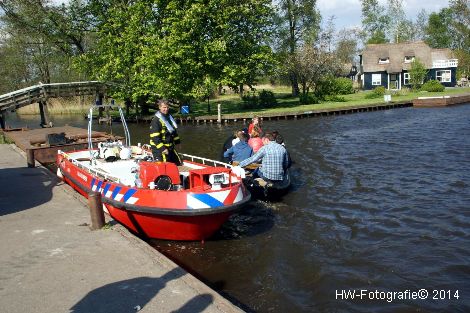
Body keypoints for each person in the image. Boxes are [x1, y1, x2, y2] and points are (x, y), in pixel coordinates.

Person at [149, 100, 182, 165]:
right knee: (165, 167)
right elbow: (155, 137)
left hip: (170, 147)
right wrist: (163, 148)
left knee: (178, 163)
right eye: (164, 107)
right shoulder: (156, 120)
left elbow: (173, 131)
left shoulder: (169, 117)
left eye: (167, 107)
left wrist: (178, 142)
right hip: (159, 149)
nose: (166, 109)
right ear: (160, 107)